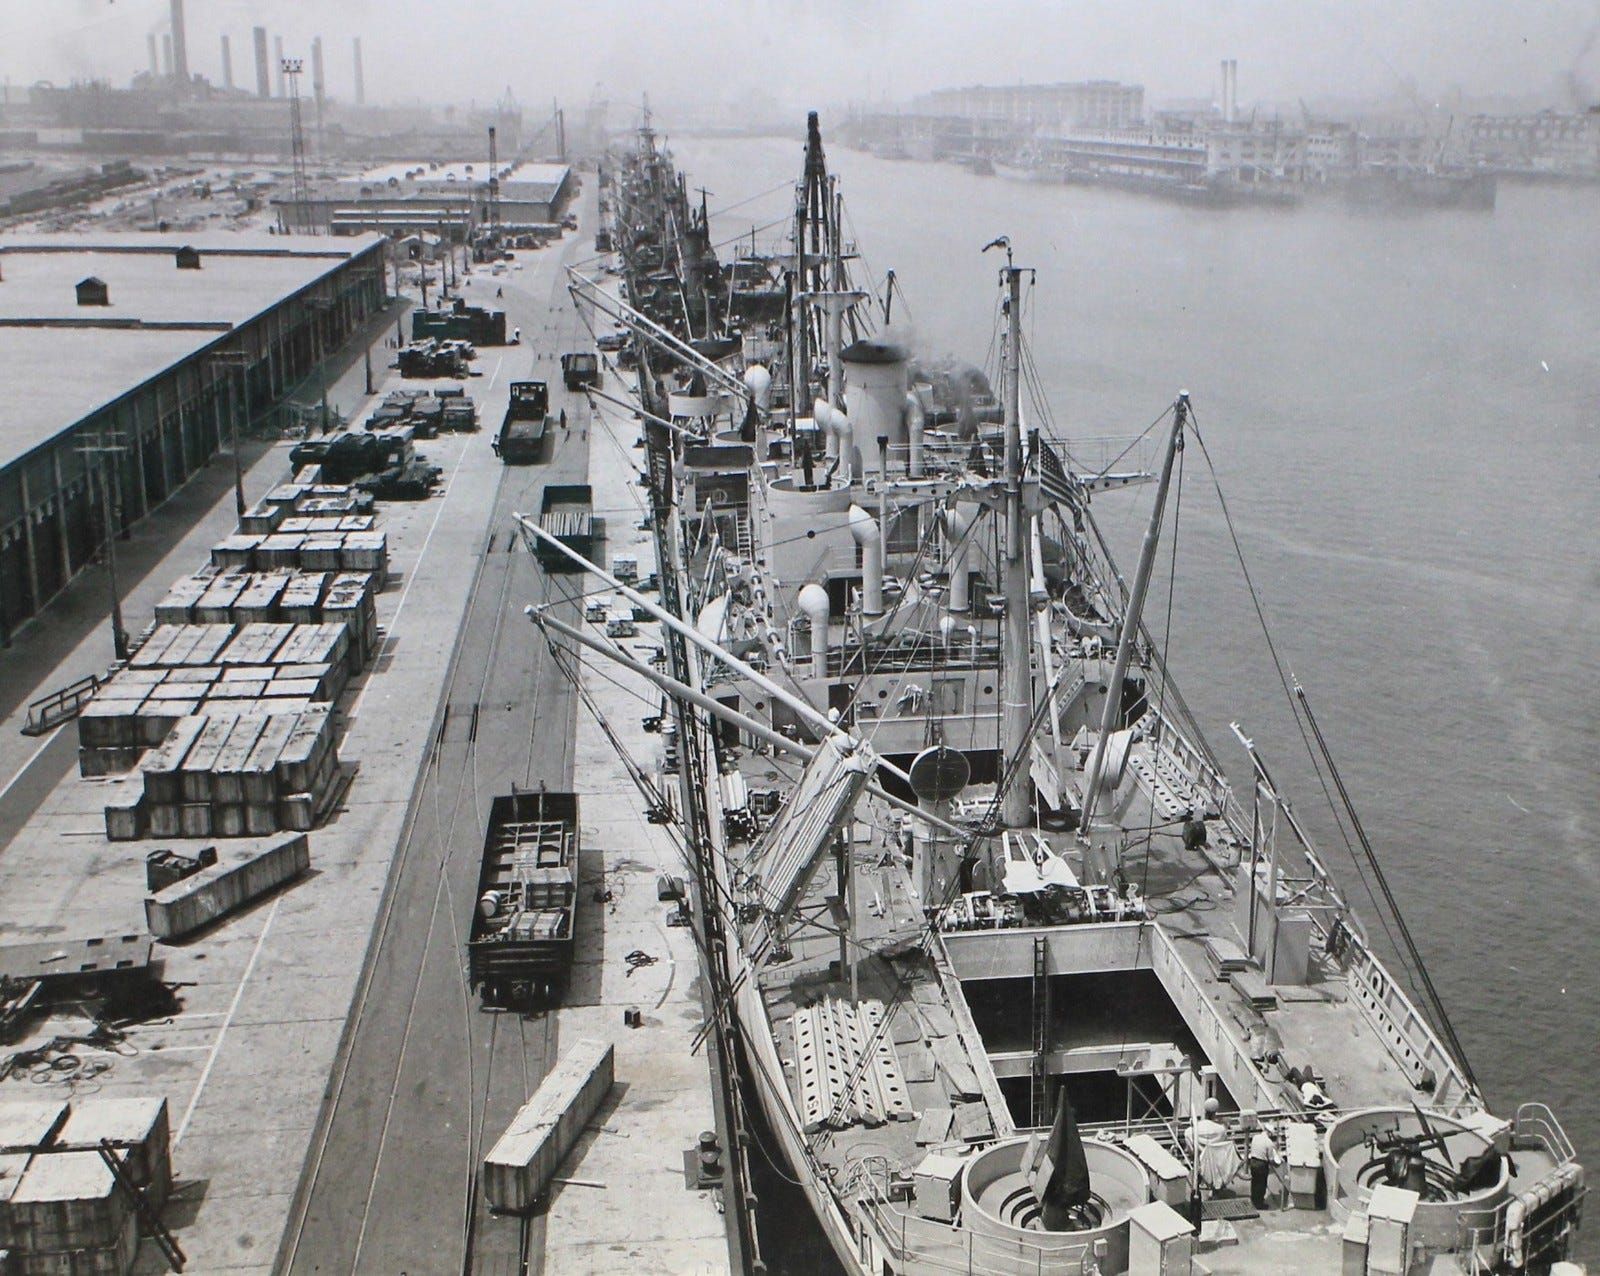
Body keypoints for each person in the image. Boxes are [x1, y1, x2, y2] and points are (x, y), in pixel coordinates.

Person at [1249, 1127, 1282, 1209]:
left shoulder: (1255, 1137)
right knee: (1261, 1184)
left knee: (1254, 1182)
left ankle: (1253, 1200)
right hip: (1261, 1164)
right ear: (1269, 1133)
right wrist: (1277, 1164)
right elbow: (1271, 1159)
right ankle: (1259, 1203)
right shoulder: (1269, 1143)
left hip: (1253, 1161)